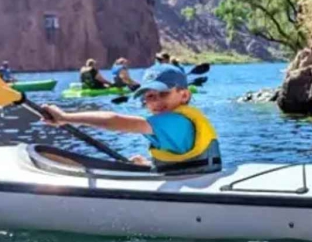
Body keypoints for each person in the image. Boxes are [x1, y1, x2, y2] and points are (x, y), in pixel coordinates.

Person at [42, 63, 222, 171]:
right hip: (191, 178)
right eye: (150, 96)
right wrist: (150, 165)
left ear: (184, 95)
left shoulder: (175, 121)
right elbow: (181, 161)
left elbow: (116, 121)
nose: (156, 102)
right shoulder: (176, 120)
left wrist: (65, 117)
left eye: (164, 94)